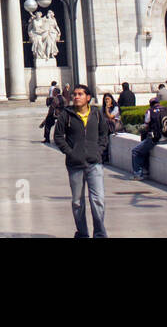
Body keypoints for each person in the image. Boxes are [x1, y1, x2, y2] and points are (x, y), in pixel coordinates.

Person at [54, 85, 112, 238]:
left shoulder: (96, 114)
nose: (76, 97)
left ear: (88, 97)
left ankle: (99, 233)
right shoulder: (66, 115)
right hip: (75, 165)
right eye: (74, 94)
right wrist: (71, 153)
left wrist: (98, 151)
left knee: (98, 200)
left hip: (95, 163)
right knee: (77, 202)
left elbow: (104, 134)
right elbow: (58, 137)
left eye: (80, 94)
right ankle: (82, 233)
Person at [131, 97, 167, 180]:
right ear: (159, 103)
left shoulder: (150, 111)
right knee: (144, 150)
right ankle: (145, 171)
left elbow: (146, 125)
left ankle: (138, 174)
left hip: (156, 139)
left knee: (136, 151)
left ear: (151, 104)